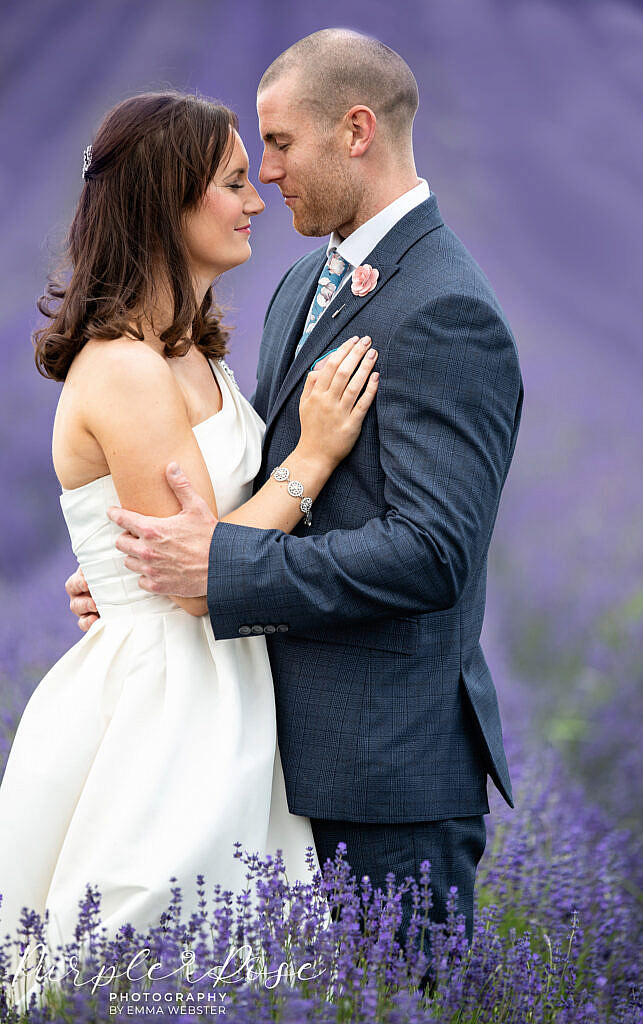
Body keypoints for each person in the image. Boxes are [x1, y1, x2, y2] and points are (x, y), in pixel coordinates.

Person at [68, 29, 524, 945]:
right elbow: (239, 490)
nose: (266, 177)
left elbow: (432, 554)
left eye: (278, 145)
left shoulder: (446, 309)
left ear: (356, 130)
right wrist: (139, 579)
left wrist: (216, 571)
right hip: (267, 754)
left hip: (383, 776)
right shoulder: (301, 284)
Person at [0, 91, 379, 955]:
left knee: (237, 961)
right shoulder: (126, 368)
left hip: (229, 687)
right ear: (165, 201)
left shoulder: (193, 353)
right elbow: (201, 573)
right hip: (169, 703)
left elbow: (207, 542)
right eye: (235, 181)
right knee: (152, 956)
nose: (257, 200)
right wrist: (313, 457)